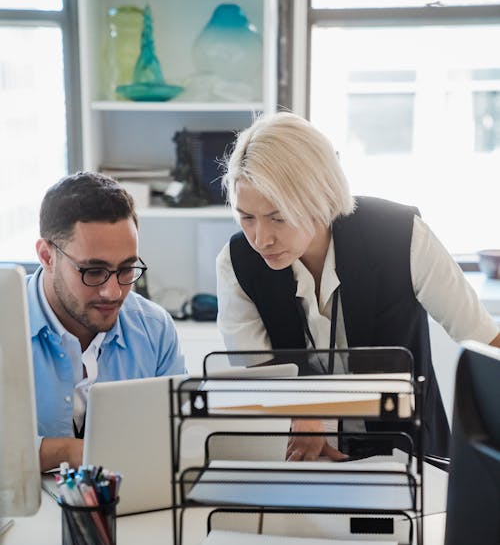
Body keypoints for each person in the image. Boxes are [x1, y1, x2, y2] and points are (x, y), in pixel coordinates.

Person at [216, 112, 500, 461]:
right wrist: (299, 410)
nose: (261, 239)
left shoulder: (402, 236)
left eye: (278, 217)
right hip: (303, 459)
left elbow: (486, 341)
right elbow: (257, 378)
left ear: (319, 197)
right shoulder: (237, 263)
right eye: (247, 217)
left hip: (412, 456)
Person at [28, 171, 186, 472]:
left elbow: (176, 439)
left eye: (127, 269)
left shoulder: (155, 330)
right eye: (93, 271)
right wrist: (72, 452)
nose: (113, 292)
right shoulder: (7, 323)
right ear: (47, 256)